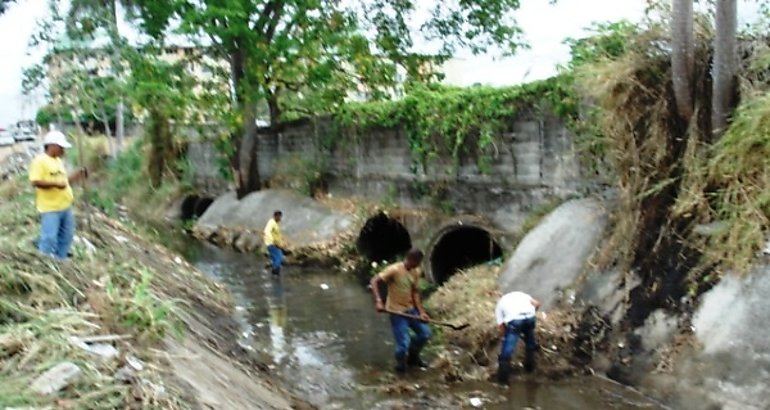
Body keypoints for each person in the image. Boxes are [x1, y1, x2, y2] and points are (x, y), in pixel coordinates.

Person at [370, 249, 432, 373]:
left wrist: (421, 312)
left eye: (418, 264)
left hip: (411, 310)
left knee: (425, 334)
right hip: (397, 312)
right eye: (416, 263)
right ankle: (400, 367)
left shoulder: (416, 272)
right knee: (403, 344)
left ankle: (413, 358)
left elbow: (415, 292)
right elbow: (374, 281)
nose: (416, 266)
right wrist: (378, 301)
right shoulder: (394, 270)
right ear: (410, 259)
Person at [29, 130, 87, 261]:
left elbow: (64, 181)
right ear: (52, 146)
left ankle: (60, 261)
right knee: (49, 238)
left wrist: (78, 174)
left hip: (65, 206)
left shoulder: (58, 161)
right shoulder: (40, 161)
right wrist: (55, 184)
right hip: (50, 208)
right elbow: (35, 181)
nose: (63, 151)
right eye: (61, 148)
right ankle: (44, 263)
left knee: (66, 236)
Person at [495, 291, 541, 385]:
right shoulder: (523, 295)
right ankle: (529, 368)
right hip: (530, 318)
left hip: (515, 321)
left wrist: (504, 336)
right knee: (529, 339)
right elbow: (537, 303)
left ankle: (503, 382)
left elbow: (501, 326)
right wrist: (533, 312)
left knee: (507, 351)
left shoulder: (500, 304)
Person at [263, 210, 286, 276]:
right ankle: (275, 272)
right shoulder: (271, 222)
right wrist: (273, 241)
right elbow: (267, 232)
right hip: (271, 244)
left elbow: (277, 235)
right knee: (279, 257)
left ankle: (272, 268)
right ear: (276, 216)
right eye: (279, 217)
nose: (280, 219)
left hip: (275, 244)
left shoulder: (275, 224)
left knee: (277, 257)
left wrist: (282, 242)